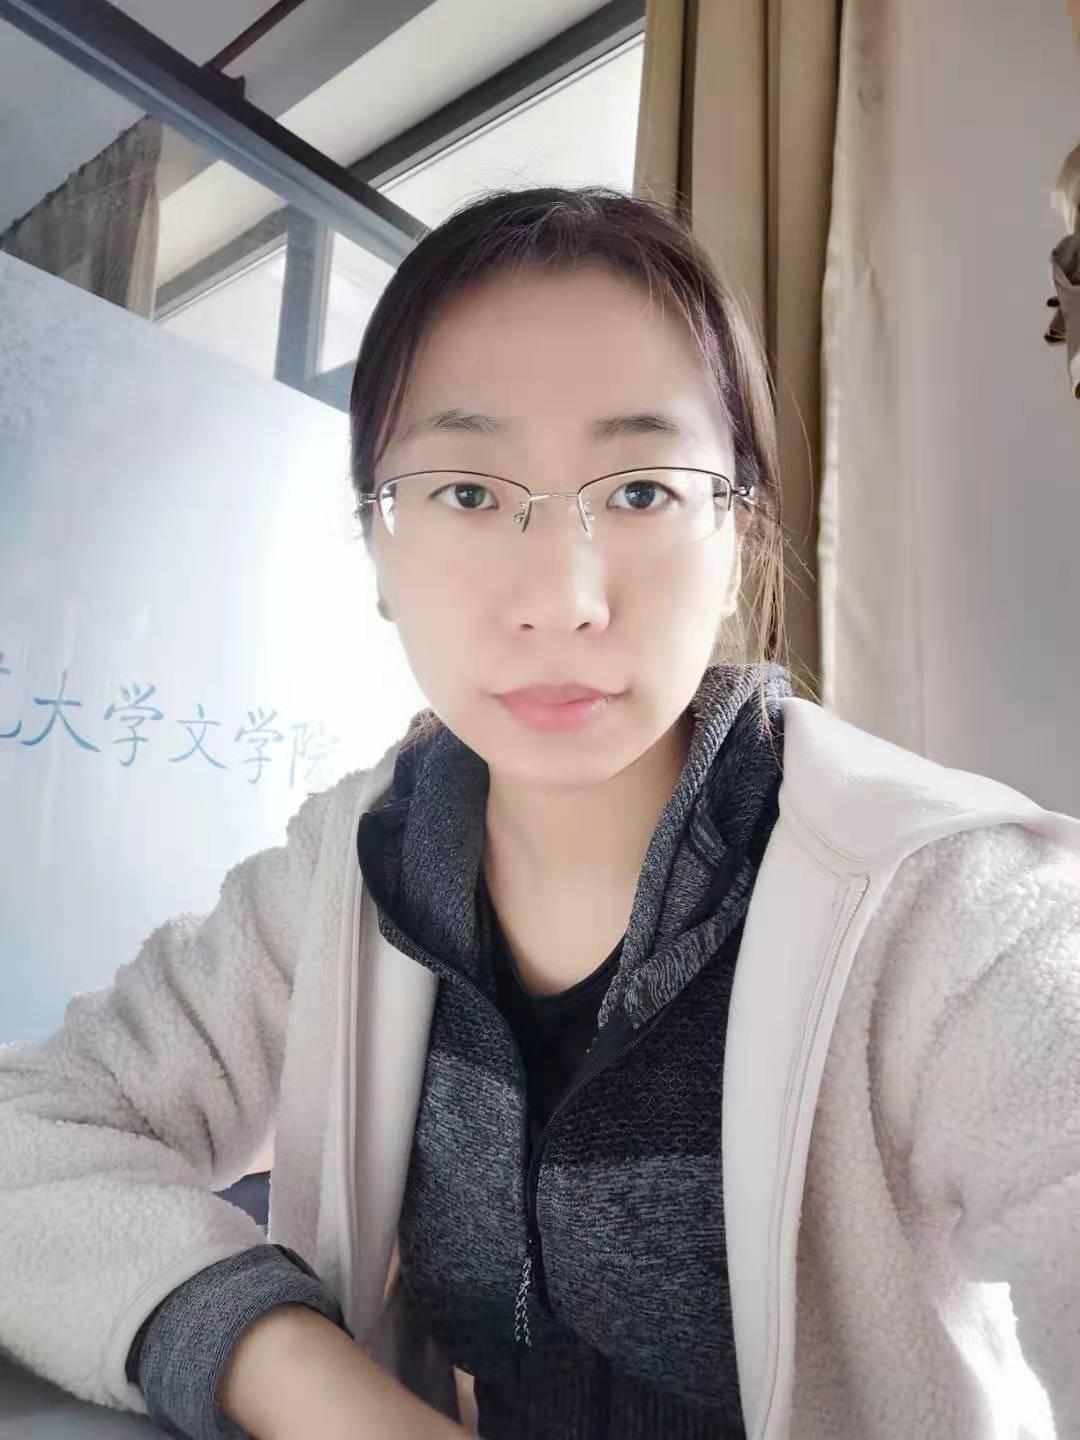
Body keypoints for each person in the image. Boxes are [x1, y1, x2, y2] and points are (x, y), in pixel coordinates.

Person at [1, 186, 1078, 1440]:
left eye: (641, 492)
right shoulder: (353, 867)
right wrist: (296, 1374)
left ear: (739, 537)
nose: (562, 598)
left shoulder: (951, 914)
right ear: (377, 551)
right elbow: (32, 1131)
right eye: (466, 492)